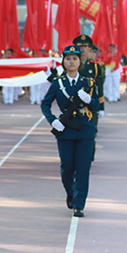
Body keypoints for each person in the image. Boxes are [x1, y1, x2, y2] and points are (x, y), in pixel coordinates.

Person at [41, 45, 99, 217]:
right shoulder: (58, 83)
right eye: (68, 59)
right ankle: (71, 193)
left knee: (83, 168)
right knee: (67, 168)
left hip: (85, 130)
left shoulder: (88, 82)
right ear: (63, 62)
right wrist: (53, 121)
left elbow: (96, 106)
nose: (71, 62)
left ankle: (79, 204)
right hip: (65, 130)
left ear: (79, 61)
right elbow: (45, 104)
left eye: (75, 58)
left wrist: (89, 99)